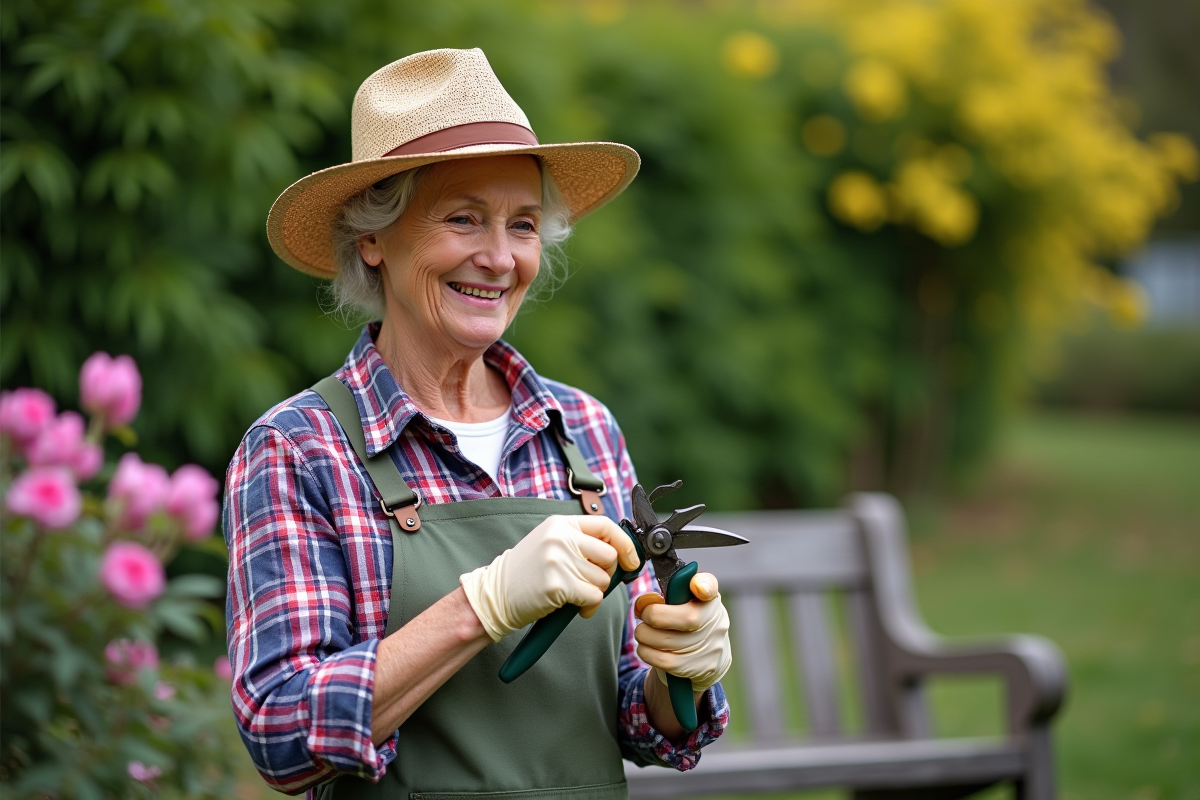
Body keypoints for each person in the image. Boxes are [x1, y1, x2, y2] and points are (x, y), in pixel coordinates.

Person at [224, 48, 732, 800]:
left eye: (522, 225)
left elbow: (635, 719)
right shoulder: (299, 449)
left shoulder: (583, 429)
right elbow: (281, 735)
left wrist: (677, 668)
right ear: (374, 238)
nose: (499, 258)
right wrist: (480, 605)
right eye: (464, 218)